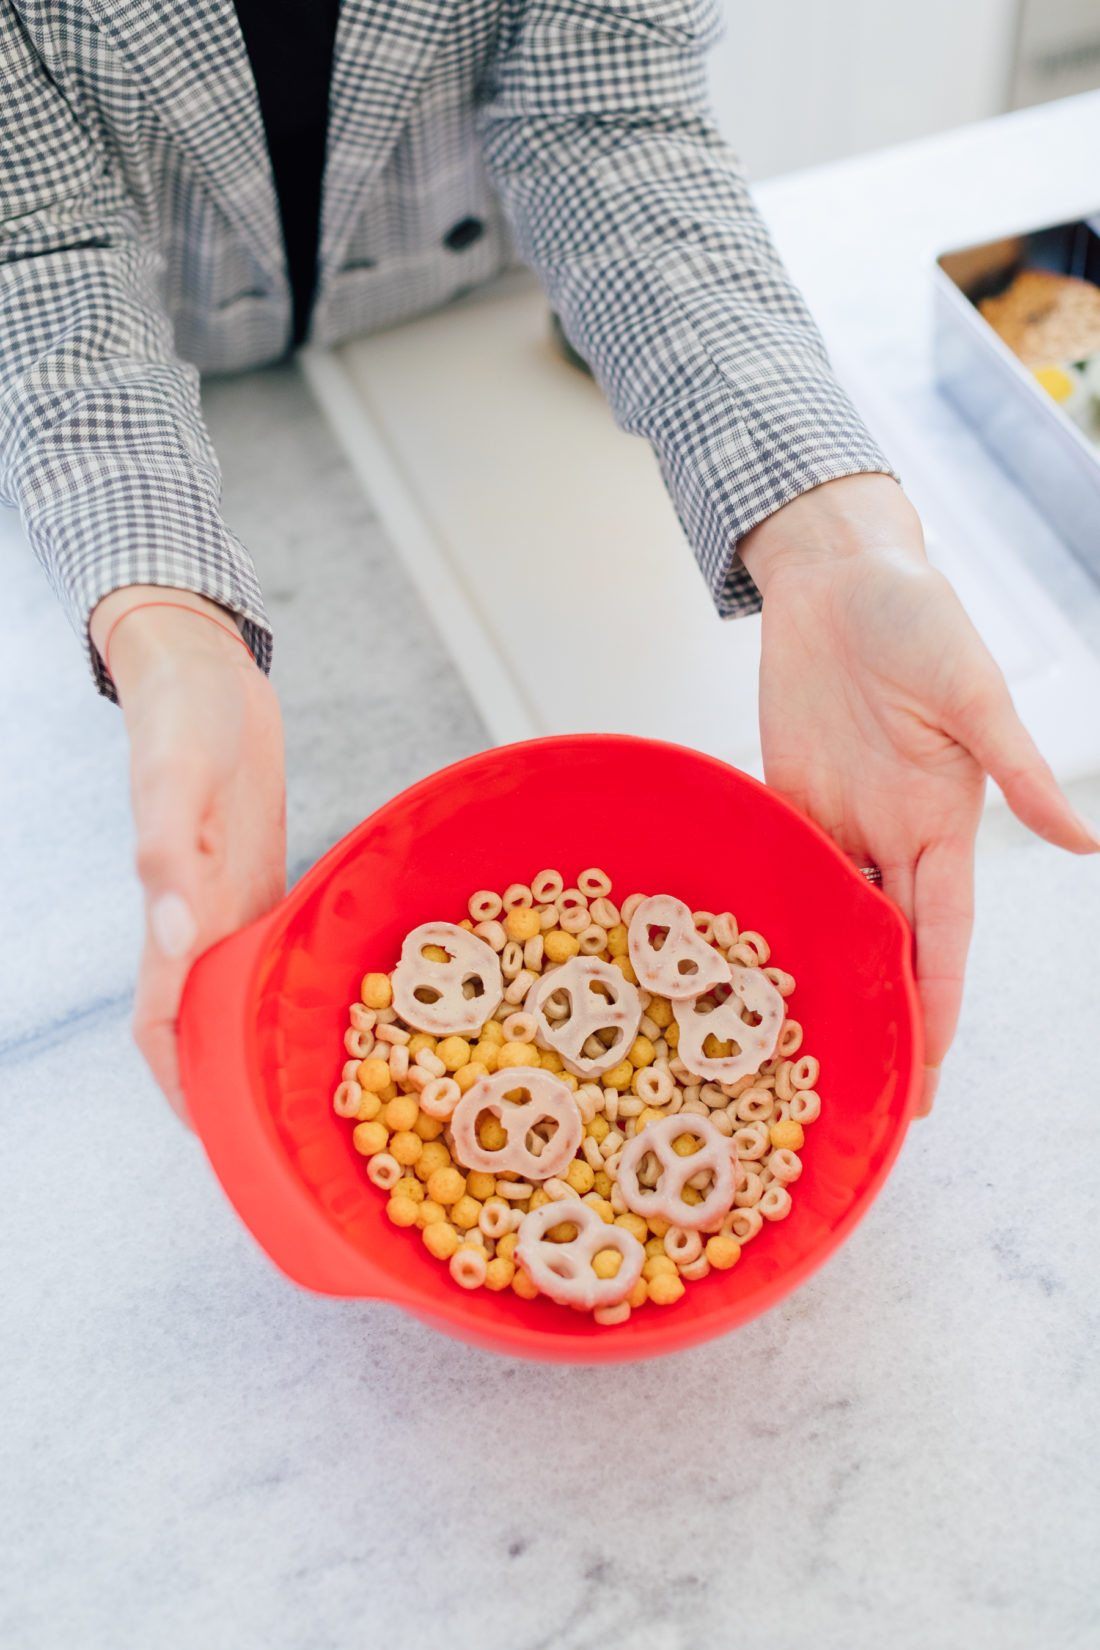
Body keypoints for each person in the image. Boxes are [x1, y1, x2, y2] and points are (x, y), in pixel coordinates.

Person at [3, 0, 1096, 1128]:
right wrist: (170, 632)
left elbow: (608, 113)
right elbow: (36, 247)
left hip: (471, 315)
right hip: (143, 367)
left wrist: (832, 538)